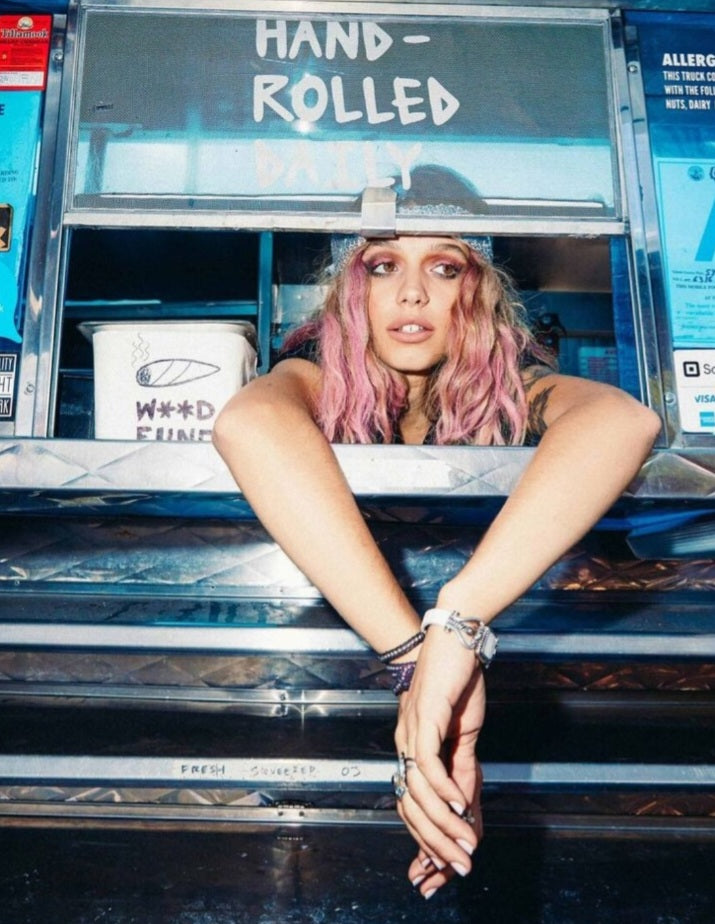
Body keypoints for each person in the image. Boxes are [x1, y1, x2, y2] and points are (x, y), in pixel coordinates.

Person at [213, 229, 661, 899]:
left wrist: (454, 630)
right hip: (308, 710)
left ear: (476, 292)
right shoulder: (312, 373)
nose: (413, 292)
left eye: (445, 269)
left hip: (519, 707)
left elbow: (622, 422)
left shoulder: (516, 386)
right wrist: (418, 666)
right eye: (383, 266)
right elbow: (246, 424)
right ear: (352, 290)